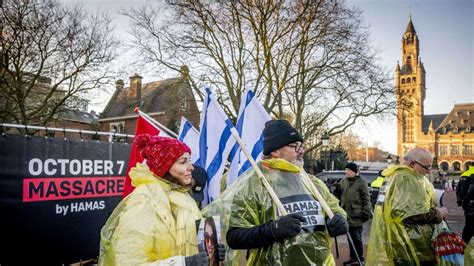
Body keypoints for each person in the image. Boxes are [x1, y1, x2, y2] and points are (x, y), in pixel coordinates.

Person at [203, 119, 348, 265]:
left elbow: (334, 208)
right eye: (294, 146)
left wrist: (339, 219)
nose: (302, 150)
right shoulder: (253, 183)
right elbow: (234, 238)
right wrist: (273, 230)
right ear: (275, 151)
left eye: (301, 146)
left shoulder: (312, 182)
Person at [99, 134, 209, 265]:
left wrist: (209, 251)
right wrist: (183, 263)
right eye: (183, 162)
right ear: (164, 167)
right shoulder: (142, 202)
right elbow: (128, 262)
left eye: (189, 160)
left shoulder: (183, 197)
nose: (191, 167)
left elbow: (188, 241)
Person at [366, 148, 449, 265]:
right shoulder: (408, 179)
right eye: (426, 167)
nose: (428, 171)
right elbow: (411, 214)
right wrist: (439, 213)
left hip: (398, 243)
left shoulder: (393, 176)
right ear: (413, 163)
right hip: (414, 246)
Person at [339, 162, 372, 265]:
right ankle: (353, 258)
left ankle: (360, 258)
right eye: (346, 170)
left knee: (357, 238)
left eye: (349, 170)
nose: (346, 172)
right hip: (345, 214)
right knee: (349, 238)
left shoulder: (361, 183)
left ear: (354, 172)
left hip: (357, 215)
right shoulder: (343, 182)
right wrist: (336, 191)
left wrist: (366, 211)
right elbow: (339, 196)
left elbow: (366, 199)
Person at [458, 164, 474, 243]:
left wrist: (461, 201)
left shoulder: (464, 174)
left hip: (467, 205)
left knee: (468, 225)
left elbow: (458, 190)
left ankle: (464, 244)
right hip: (472, 203)